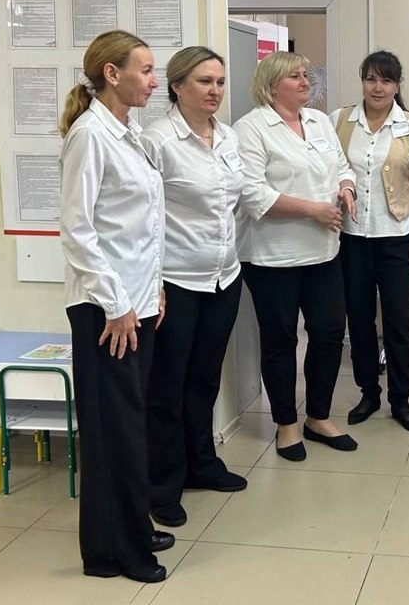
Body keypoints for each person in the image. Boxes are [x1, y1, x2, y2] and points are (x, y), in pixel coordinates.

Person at [58, 29, 172, 584]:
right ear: (112, 73)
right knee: (114, 431)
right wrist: (117, 303)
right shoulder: (90, 135)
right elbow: (77, 230)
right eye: (145, 70)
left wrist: (154, 289)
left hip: (136, 302)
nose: (153, 81)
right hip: (105, 311)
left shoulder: (131, 133)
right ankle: (115, 551)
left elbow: (139, 227)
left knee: (131, 422)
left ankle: (131, 526)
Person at [140, 46, 247, 532]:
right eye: (205, 81)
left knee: (204, 379)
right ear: (177, 85)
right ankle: (163, 485)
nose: (215, 91)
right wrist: (153, 282)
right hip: (176, 281)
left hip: (224, 276)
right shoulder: (157, 141)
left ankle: (201, 463)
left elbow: (233, 203)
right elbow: (144, 218)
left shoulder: (227, 136)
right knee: (167, 386)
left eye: (220, 82)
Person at [234, 52, 359, 461]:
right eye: (295, 76)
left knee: (328, 334)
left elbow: (342, 165)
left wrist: (346, 189)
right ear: (272, 86)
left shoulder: (319, 121)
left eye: (307, 75)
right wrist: (313, 210)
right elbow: (252, 194)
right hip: (273, 257)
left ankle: (318, 417)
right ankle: (286, 425)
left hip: (324, 251)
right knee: (280, 341)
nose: (306, 82)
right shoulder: (251, 129)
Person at [331, 50, 409, 434]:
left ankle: (400, 400)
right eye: (371, 79)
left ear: (397, 85)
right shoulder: (339, 121)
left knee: (398, 322)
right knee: (358, 320)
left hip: (396, 239)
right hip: (352, 239)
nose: (378, 87)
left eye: (386, 80)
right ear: (362, 81)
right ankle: (369, 393)